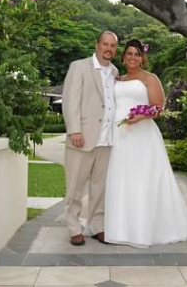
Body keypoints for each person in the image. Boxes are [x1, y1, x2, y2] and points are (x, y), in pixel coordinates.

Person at [104, 39, 187, 248]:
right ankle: (120, 228)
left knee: (143, 179)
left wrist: (140, 117)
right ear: (123, 57)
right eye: (129, 53)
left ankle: (146, 229)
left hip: (142, 133)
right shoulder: (117, 79)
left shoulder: (150, 78)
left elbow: (158, 107)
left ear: (142, 58)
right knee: (122, 179)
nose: (132, 57)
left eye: (137, 54)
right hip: (119, 134)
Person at [62, 30, 119, 246]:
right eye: (105, 44)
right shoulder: (79, 67)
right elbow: (70, 100)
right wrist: (74, 130)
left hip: (107, 140)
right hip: (83, 138)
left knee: (99, 187)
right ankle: (74, 227)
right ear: (97, 45)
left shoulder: (115, 72)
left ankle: (97, 226)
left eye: (112, 46)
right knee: (75, 186)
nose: (108, 49)